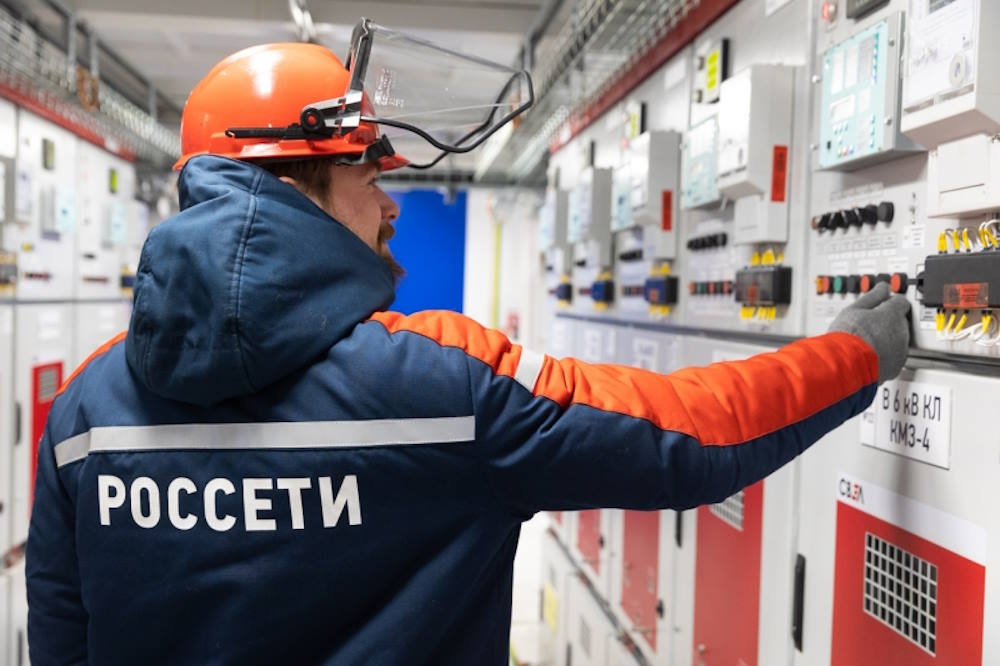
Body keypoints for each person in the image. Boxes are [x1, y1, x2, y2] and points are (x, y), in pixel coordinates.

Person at [26, 42, 910, 665]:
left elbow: (64, 637)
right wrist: (852, 355)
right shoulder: (441, 384)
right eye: (370, 176)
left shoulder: (82, 414)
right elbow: (687, 436)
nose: (391, 207)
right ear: (299, 184)